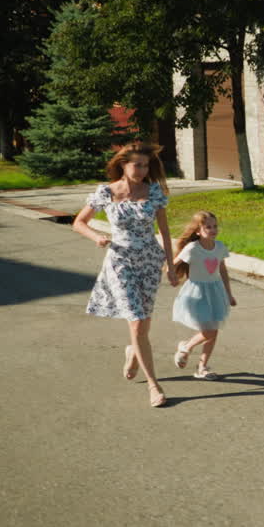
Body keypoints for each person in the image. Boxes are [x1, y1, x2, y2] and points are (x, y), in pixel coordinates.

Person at [73, 143, 177, 407]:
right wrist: (97, 237)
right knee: (137, 321)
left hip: (149, 262)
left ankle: (133, 350)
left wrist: (171, 265)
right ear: (123, 164)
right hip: (120, 263)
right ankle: (154, 386)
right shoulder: (106, 193)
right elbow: (79, 222)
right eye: (137, 165)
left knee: (142, 324)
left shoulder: (154, 192)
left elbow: (165, 232)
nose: (142, 170)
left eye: (146, 165)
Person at [171, 210, 236, 380]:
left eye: (215, 226)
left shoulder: (220, 247)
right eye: (208, 227)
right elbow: (173, 264)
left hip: (215, 292)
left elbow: (223, 270)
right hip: (196, 294)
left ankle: (202, 367)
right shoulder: (193, 248)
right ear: (198, 231)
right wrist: (171, 275)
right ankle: (186, 347)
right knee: (209, 331)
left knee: (213, 331)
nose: (213, 230)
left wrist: (229, 294)